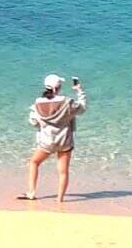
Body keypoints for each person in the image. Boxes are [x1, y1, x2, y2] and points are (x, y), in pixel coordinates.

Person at [19, 72, 86, 203]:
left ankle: (31, 192)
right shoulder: (67, 102)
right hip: (64, 141)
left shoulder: (37, 103)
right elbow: (82, 108)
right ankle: (59, 199)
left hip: (46, 142)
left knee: (34, 162)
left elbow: (33, 122)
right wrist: (79, 91)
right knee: (63, 172)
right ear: (59, 87)